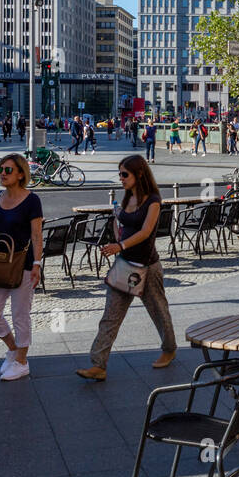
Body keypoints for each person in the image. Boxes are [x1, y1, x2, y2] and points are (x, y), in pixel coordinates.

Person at [77, 154, 177, 380]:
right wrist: (116, 232)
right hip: (124, 266)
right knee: (110, 316)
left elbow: (145, 231)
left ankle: (169, 349)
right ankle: (98, 365)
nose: (120, 178)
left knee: (159, 312)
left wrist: (119, 245)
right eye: (119, 173)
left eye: (124, 174)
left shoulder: (152, 200)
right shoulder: (126, 198)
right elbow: (122, 224)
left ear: (139, 174)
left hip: (147, 266)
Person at [0, 154, 44, 382]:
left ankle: (22, 362)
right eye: (1, 169)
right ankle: (13, 349)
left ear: (21, 174)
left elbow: (36, 235)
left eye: (8, 170)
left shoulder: (32, 200)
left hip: (23, 264)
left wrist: (37, 264)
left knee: (20, 315)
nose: (3, 173)